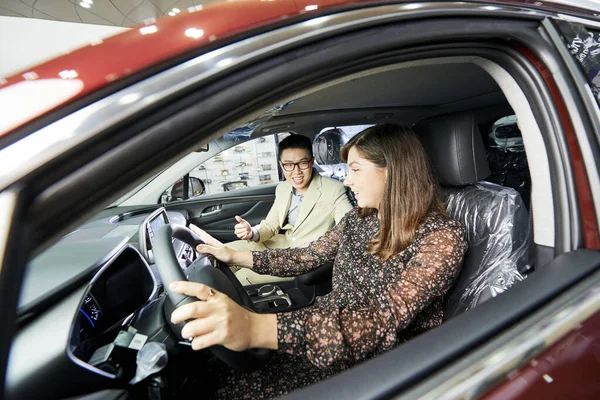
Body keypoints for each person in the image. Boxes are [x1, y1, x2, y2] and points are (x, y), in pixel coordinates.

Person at [170, 123, 468, 399]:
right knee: (214, 372)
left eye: (355, 169)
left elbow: (381, 317)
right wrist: (233, 255)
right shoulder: (358, 219)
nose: (347, 180)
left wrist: (256, 328)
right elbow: (307, 256)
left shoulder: (441, 239)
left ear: (392, 171)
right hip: (326, 323)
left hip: (379, 355)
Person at [227, 134, 353, 285]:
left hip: (304, 256)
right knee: (226, 252)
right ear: (281, 165)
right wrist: (251, 232)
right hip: (281, 244)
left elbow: (348, 228)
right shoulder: (283, 188)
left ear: (312, 161)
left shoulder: (334, 189)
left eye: (303, 163)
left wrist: (314, 247)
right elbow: (270, 225)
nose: (296, 171)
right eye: (289, 165)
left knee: (240, 278)